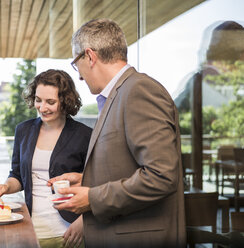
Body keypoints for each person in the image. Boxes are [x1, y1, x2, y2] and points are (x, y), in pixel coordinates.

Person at [49, 18, 186, 247]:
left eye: (76, 64)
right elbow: (131, 166)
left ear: (90, 56)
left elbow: (161, 176)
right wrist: (87, 179)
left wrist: (91, 198)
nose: (80, 76)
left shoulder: (138, 91)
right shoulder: (119, 94)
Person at [0, 69, 92, 248]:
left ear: (65, 101)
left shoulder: (85, 135)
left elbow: (96, 184)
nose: (42, 108)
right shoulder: (23, 130)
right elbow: (17, 175)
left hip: (69, 232)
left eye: (50, 102)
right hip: (28, 230)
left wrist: (83, 221)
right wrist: (6, 186)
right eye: (38, 100)